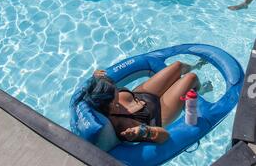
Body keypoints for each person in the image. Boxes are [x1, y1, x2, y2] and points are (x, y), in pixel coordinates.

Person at [74, 60, 212, 144]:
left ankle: (195, 65)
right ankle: (200, 91)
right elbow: (164, 136)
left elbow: (79, 97)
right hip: (158, 112)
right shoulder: (124, 127)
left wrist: (94, 78)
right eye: (114, 89)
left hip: (142, 95)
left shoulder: (98, 95)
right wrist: (144, 131)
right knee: (190, 78)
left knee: (177, 66)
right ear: (110, 103)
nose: (115, 87)